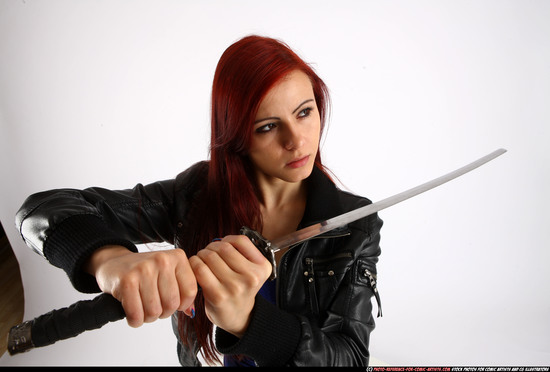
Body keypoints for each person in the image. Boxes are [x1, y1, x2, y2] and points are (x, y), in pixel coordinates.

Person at [15, 35, 383, 367]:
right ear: (238, 137)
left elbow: (350, 359)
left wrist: (250, 323)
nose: (297, 141)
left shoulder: (354, 223)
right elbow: (39, 212)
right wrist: (109, 260)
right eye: (268, 126)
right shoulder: (195, 195)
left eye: (304, 112)